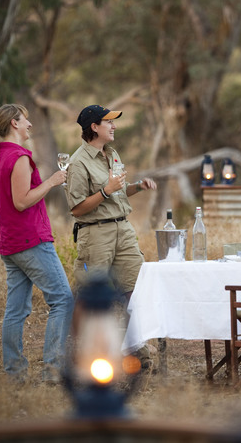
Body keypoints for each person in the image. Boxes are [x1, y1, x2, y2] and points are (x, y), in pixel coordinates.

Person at [0, 103, 75, 384]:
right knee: (63, 299)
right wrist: (51, 182)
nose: (30, 125)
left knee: (16, 310)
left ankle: (15, 374)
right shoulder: (19, 157)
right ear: (14, 123)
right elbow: (21, 201)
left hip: (10, 242)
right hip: (30, 240)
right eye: (26, 120)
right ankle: (52, 370)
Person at [64, 105, 157, 365]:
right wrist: (106, 191)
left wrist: (137, 187)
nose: (114, 126)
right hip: (95, 234)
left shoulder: (112, 153)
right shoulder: (78, 162)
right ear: (94, 127)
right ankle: (77, 352)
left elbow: (117, 191)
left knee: (136, 289)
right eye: (108, 122)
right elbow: (77, 208)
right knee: (89, 294)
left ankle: (135, 347)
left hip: (123, 229)